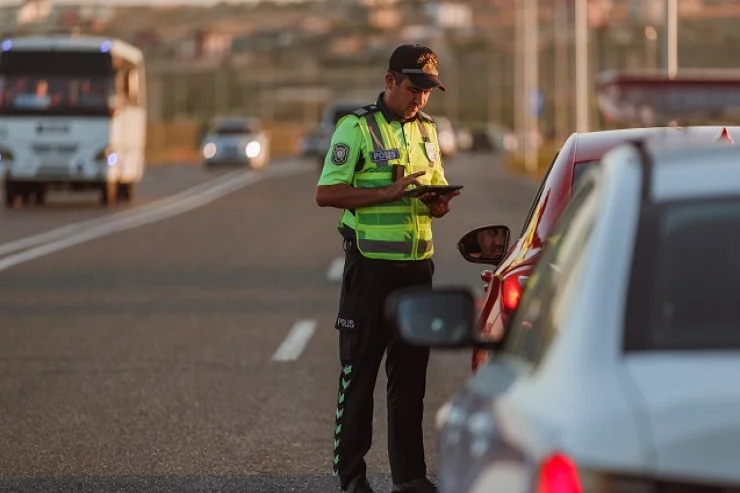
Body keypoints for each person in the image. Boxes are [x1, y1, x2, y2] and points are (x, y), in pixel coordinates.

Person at [315, 44, 460, 493]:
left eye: (428, 91)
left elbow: (431, 190)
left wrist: (438, 205)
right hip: (371, 272)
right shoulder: (355, 128)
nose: (420, 98)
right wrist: (384, 195)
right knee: (358, 376)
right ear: (390, 81)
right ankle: (352, 478)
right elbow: (326, 193)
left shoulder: (428, 132)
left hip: (417, 269)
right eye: (414, 88)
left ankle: (410, 478)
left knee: (410, 380)